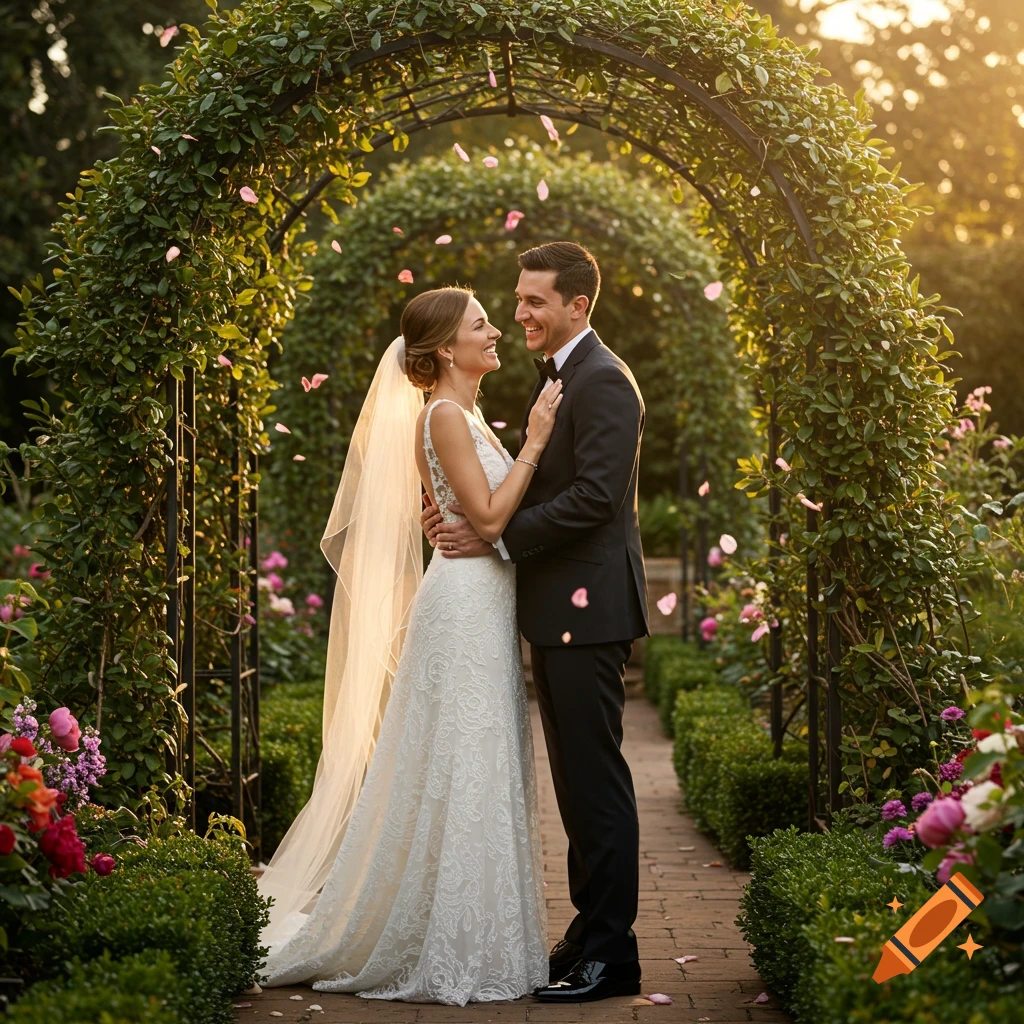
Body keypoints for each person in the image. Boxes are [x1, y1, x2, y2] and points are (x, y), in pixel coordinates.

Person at [256, 285, 562, 1005]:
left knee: (469, 762)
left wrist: (488, 510)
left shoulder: (463, 416)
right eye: (480, 325)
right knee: (463, 760)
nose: (495, 333)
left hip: (475, 601)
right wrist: (538, 443)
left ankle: (470, 933)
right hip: (461, 609)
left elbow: (473, 518)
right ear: (445, 350)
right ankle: (450, 943)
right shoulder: (446, 415)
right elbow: (486, 517)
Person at [423, 241, 649, 1002]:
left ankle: (612, 955)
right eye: (514, 301)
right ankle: (588, 934)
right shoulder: (557, 377)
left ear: (576, 306)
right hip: (557, 616)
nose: (518, 313)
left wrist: (497, 536)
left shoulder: (605, 381)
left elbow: (594, 498)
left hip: (588, 612)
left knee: (597, 785)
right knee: (577, 785)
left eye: (532, 301)